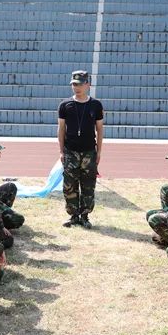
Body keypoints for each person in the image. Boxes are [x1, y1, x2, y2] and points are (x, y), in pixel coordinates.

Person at [58, 70, 104, 228]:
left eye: (79, 84)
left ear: (87, 85)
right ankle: (73, 215)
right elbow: (61, 129)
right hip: (70, 151)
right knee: (69, 184)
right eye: (73, 84)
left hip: (89, 152)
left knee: (88, 184)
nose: (75, 87)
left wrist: (99, 152)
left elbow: (99, 129)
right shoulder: (65, 105)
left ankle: (85, 215)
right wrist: (61, 151)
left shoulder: (96, 105)